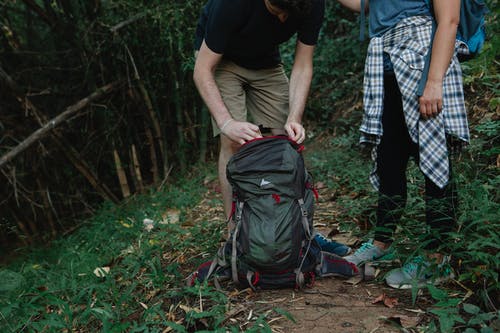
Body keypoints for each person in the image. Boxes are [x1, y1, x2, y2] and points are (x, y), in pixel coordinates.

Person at [193, 0, 350, 255]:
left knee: (285, 143)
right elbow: (202, 70)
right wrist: (227, 123)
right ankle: (236, 236)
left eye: (288, 14)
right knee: (235, 142)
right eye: (276, 12)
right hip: (221, 61)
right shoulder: (230, 6)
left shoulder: (311, 3)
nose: (281, 19)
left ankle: (299, 232)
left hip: (265, 62)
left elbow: (303, 64)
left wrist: (294, 118)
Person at [336, 0, 469, 288]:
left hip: (423, 63)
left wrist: (434, 82)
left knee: (433, 161)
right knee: (389, 160)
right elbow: (366, 4)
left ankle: (437, 258)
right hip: (387, 66)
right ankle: (382, 244)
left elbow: (449, 20)